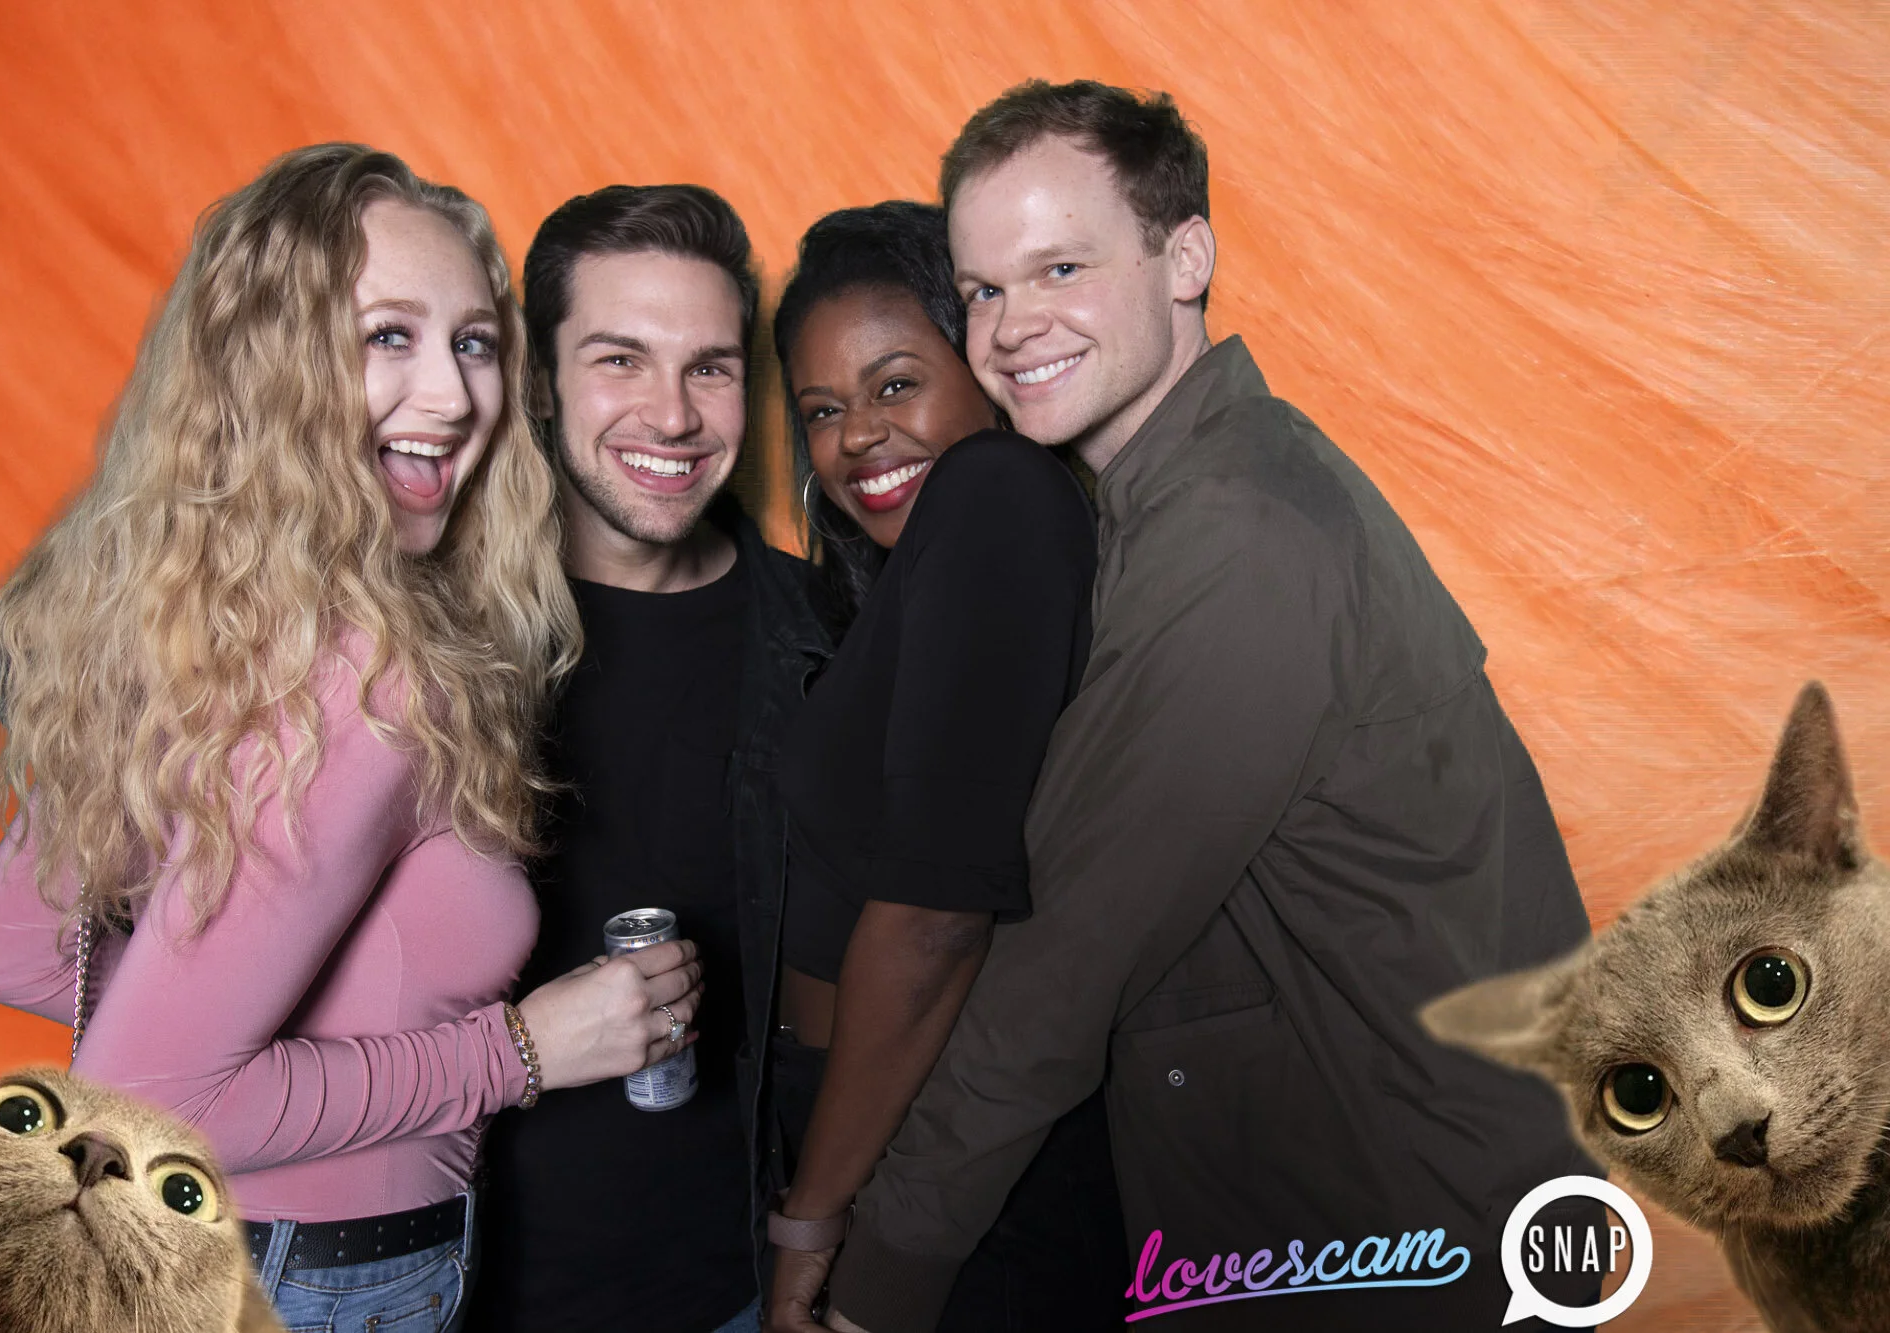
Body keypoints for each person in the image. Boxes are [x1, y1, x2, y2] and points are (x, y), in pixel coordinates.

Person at [820, 82, 1605, 1333]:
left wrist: (876, 1278)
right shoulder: (1177, 498)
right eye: (982, 290)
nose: (1012, 328)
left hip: (1395, 1244)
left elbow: (1061, 966)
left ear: (1184, 259)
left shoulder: (1238, 534)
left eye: (1060, 268)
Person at [0, 143, 702, 1333]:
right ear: (271, 367)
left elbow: (8, 950)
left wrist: (257, 998)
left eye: (472, 342)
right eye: (386, 336)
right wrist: (517, 1051)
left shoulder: (208, 621)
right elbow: (144, 1094)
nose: (453, 396)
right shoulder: (366, 677)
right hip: (319, 1282)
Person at [464, 185, 836, 1333]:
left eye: (708, 367)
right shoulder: (433, 637)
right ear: (539, 380)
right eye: (619, 359)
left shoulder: (830, 636)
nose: (671, 416)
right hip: (450, 1288)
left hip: (740, 1286)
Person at [761, 202, 1127, 1333]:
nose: (857, 436)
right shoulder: (927, 564)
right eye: (823, 411)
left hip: (930, 1159)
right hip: (879, 1130)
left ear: (982, 366)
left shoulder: (995, 491)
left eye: (894, 384)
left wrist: (812, 1217)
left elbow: (935, 915)